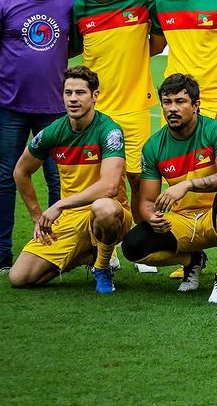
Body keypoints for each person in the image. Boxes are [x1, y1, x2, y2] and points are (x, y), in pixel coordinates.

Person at [72, 0, 165, 274]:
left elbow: (160, 40)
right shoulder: (80, 9)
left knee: (140, 179)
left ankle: (140, 246)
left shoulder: (141, 0)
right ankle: (105, 247)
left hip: (136, 107)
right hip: (97, 113)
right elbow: (71, 48)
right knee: (104, 184)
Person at [0, 0, 73, 275]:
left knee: (57, 179)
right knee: (5, 177)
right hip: (10, 105)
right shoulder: (4, 4)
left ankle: (56, 243)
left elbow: (75, 44)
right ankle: (2, 248)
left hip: (54, 108)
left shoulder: (69, 3)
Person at [9, 66, 130, 293]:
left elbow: (110, 186)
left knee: (103, 208)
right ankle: (87, 253)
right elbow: (20, 171)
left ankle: (102, 266)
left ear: (95, 96)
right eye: (68, 93)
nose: (73, 99)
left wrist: (60, 204)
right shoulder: (53, 132)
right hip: (69, 220)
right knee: (20, 277)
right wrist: (37, 217)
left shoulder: (109, 131)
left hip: (111, 214)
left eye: (80, 93)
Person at [120, 74, 217, 296]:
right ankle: (192, 259)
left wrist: (187, 185)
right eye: (167, 102)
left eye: (180, 101)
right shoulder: (153, 146)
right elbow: (147, 201)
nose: (172, 109)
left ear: (196, 105)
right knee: (132, 246)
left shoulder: (216, 130)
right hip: (182, 221)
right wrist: (152, 218)